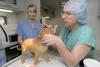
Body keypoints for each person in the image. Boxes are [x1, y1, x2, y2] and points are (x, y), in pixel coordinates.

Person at [40, 0, 96, 67]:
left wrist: (58, 41)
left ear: (79, 15)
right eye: (63, 13)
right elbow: (56, 46)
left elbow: (72, 63)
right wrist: (50, 37)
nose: (63, 17)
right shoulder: (66, 29)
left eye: (68, 13)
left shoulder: (87, 33)